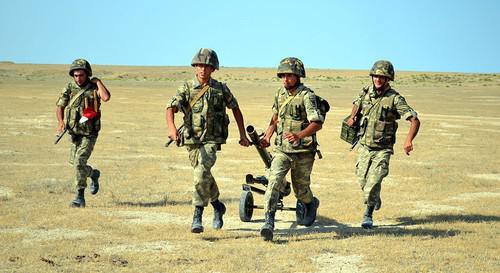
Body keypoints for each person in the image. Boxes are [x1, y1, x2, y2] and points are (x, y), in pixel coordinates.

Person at [166, 48, 250, 233]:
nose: (203, 69)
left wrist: (242, 135)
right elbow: (170, 107)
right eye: (199, 65)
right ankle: (218, 205)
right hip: (192, 140)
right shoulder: (186, 88)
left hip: (212, 140)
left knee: (201, 172)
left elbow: (235, 109)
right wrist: (172, 128)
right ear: (195, 67)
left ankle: (197, 215)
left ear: (213, 69)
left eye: (207, 66)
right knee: (202, 174)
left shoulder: (220, 88)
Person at [346, 60, 420, 228]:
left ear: (388, 79)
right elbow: (356, 103)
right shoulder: (366, 92)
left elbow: (414, 120)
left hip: (383, 149)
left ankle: (368, 215)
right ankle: (374, 197)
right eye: (376, 76)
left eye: (382, 77)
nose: (378, 80)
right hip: (364, 146)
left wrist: (408, 140)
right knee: (363, 181)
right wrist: (353, 117)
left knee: (373, 183)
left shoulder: (394, 99)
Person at [258, 57, 324, 241]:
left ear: (298, 76)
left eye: (289, 75)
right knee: (274, 181)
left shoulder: (307, 96)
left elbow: (317, 123)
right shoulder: (279, 94)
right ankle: (268, 222)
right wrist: (267, 136)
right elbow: (275, 118)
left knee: (301, 191)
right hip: (282, 150)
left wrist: (299, 135)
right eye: (283, 75)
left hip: (303, 152)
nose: (285, 79)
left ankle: (310, 203)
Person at [56, 58, 111, 208]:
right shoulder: (69, 88)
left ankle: (79, 197)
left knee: (79, 161)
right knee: (76, 165)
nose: (78, 78)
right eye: (75, 75)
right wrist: (61, 123)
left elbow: (105, 98)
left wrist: (98, 82)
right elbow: (60, 106)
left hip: (89, 134)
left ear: (87, 74)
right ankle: (93, 174)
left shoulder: (94, 88)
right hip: (74, 133)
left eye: (81, 75)